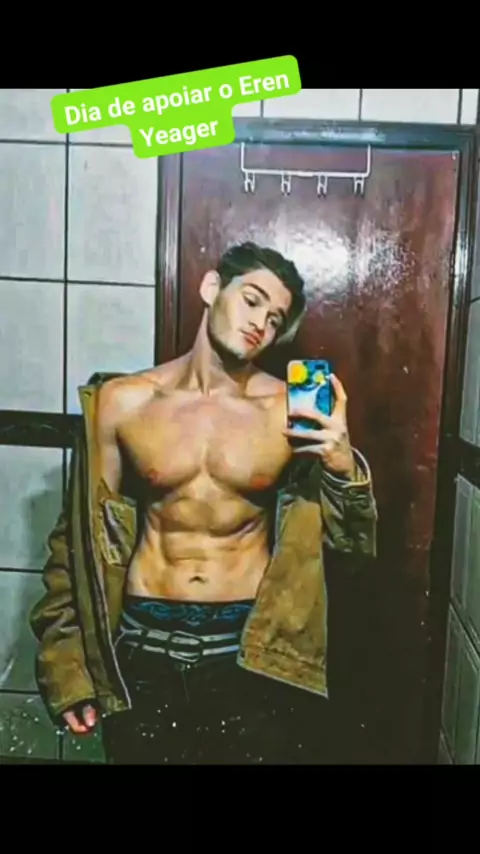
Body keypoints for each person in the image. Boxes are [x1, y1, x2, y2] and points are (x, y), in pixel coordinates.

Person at [30, 241, 377, 765]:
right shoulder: (123, 401)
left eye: (275, 318)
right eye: (252, 300)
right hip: (141, 650)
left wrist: (343, 466)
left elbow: (349, 547)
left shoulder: (286, 409)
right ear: (212, 287)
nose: (261, 323)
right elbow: (76, 540)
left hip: (247, 654)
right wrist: (67, 666)